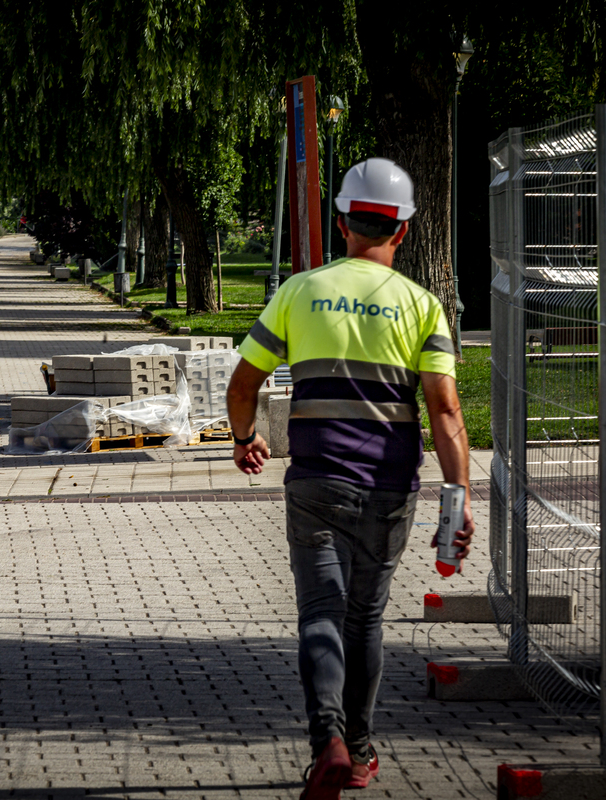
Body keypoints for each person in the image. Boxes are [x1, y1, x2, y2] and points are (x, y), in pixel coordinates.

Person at [225, 158, 475, 800]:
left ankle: (327, 742)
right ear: (405, 230)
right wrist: (459, 498)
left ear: (342, 223)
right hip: (391, 486)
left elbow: (244, 383)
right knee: (364, 618)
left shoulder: (297, 292)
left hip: (316, 482)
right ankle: (360, 753)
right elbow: (445, 410)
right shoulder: (423, 306)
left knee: (319, 613)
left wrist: (245, 438)